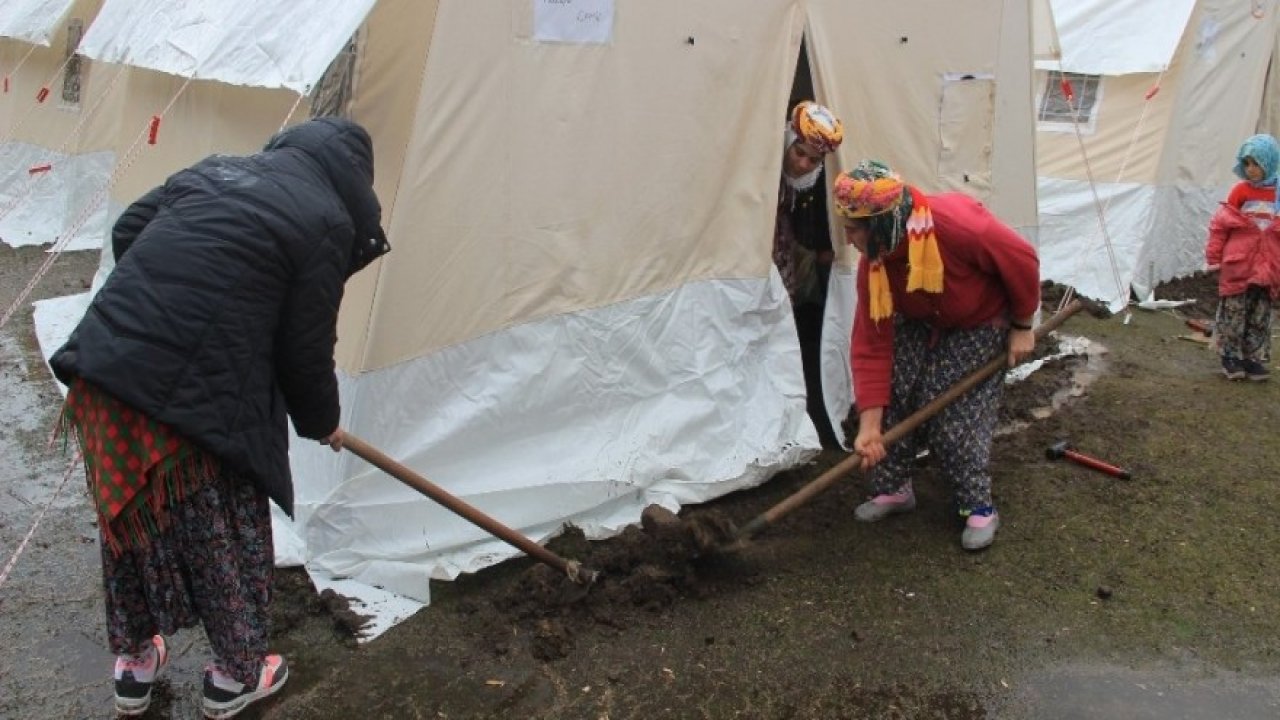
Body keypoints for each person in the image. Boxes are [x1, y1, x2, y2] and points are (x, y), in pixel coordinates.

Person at [50, 117, 390, 718]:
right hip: (181, 401)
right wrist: (321, 422)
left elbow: (130, 230)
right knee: (224, 535)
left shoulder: (216, 168)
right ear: (356, 182)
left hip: (101, 375)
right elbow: (305, 348)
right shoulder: (327, 221)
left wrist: (174, 300)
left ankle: (133, 664)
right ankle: (236, 675)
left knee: (126, 523)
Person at [832, 160, 1039, 551]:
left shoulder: (959, 225)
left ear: (882, 223)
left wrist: (1023, 325)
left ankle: (976, 505)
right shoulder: (875, 264)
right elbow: (871, 344)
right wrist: (870, 426)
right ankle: (894, 489)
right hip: (920, 317)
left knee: (956, 414)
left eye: (854, 228)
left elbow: (1022, 259)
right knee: (896, 394)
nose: (848, 239)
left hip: (979, 319)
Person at [773, 100, 844, 446]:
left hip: (797, 259)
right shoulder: (767, 165)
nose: (802, 164)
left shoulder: (818, 184)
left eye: (812, 160)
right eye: (798, 153)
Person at [1205, 133, 1280, 382]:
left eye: (1256, 163)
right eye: (1246, 163)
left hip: (1267, 268)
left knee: (1260, 314)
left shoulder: (1278, 195)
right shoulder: (1240, 191)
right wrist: (1214, 256)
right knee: (1234, 312)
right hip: (1238, 265)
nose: (1251, 169)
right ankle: (1230, 356)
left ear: (1270, 162)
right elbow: (1220, 225)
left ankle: (1252, 358)